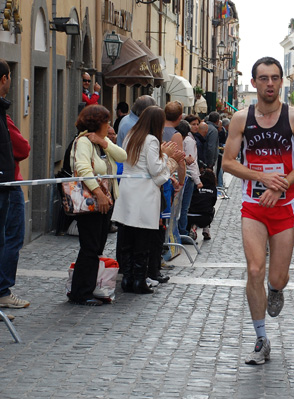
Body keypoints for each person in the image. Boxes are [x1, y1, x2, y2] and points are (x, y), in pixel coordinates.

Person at [222, 56, 294, 365]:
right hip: (253, 205)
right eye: (264, 78)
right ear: (254, 83)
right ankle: (261, 339)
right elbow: (228, 162)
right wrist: (262, 177)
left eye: (275, 78)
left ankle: (276, 289)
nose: (270, 83)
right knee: (254, 270)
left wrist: (281, 184)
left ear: (281, 82)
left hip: (285, 205)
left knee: (278, 277)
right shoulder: (240, 119)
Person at [112, 106, 182, 294]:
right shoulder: (150, 140)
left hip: (127, 192)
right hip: (144, 195)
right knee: (142, 239)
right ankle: (139, 281)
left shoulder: (131, 136)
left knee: (127, 238)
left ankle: (127, 278)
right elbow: (156, 171)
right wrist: (167, 156)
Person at [67, 105, 127, 306]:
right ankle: (80, 293)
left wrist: (104, 142)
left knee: (97, 246)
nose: (109, 125)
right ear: (97, 123)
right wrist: (98, 193)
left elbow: (122, 157)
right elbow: (83, 168)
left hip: (105, 202)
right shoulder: (83, 142)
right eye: (107, 122)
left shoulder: (101, 142)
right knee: (90, 247)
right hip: (92, 201)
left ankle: (87, 287)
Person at [0, 113, 30, 312]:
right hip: (8, 184)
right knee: (11, 237)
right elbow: (22, 148)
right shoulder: (3, 116)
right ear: (4, 79)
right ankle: (2, 291)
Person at [177, 118, 203, 237]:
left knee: (180, 206)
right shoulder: (189, 140)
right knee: (184, 207)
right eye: (193, 124)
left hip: (185, 175)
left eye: (197, 124)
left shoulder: (185, 139)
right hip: (188, 176)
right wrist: (198, 180)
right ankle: (182, 231)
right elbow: (192, 161)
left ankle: (181, 230)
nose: (196, 127)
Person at [187, 168, 218, 241]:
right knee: (212, 209)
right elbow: (213, 203)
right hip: (205, 217)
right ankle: (206, 229)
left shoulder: (195, 186)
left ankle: (193, 227)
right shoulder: (213, 188)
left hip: (190, 215)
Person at [216, 118, 229, 188]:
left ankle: (220, 183)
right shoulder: (221, 131)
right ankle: (220, 183)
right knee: (219, 168)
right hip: (219, 151)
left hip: (220, 150)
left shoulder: (223, 130)